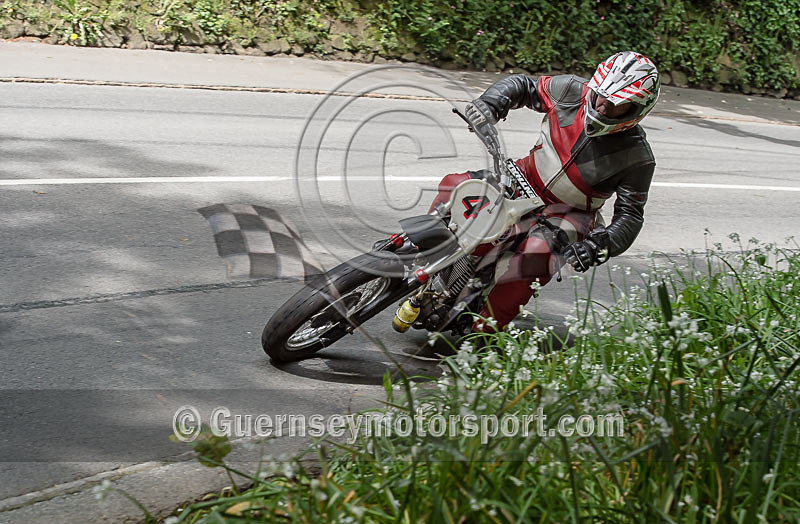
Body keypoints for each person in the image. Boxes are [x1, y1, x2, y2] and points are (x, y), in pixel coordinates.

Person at [428, 51, 660, 332]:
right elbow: (525, 86)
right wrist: (490, 103)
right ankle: (413, 254)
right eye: (600, 95)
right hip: (522, 175)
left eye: (614, 105)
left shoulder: (638, 158)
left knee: (535, 256)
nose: (601, 106)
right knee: (454, 185)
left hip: (571, 213)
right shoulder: (572, 90)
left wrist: (597, 247)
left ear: (636, 109)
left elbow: (630, 217)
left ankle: (484, 334)